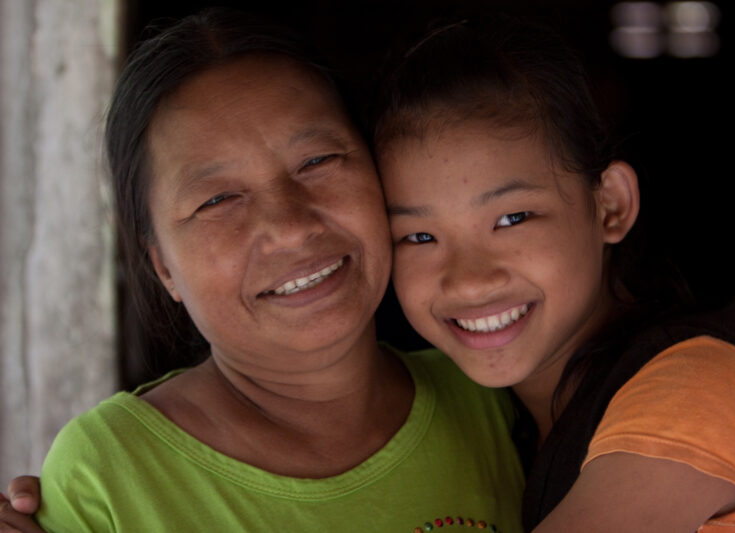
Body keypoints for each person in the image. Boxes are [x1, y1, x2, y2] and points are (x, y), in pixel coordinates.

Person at [0, 9, 525, 532]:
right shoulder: (108, 477)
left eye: (317, 161)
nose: (290, 227)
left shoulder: (489, 398)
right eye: (218, 199)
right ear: (162, 265)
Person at [370, 16, 735, 532]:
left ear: (611, 206)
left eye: (512, 219)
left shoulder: (698, 391)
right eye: (419, 237)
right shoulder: (493, 422)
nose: (468, 280)